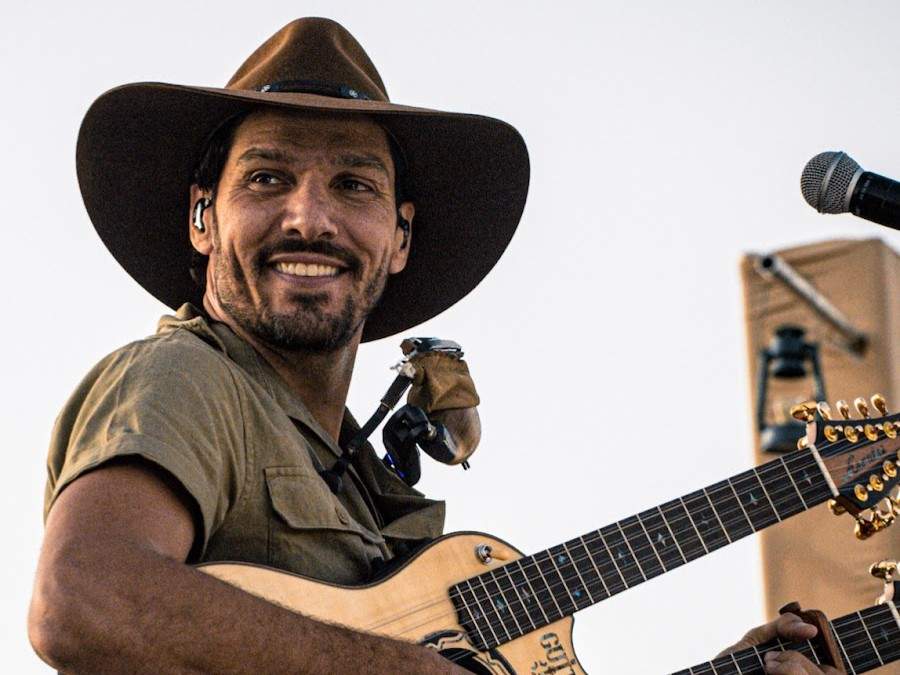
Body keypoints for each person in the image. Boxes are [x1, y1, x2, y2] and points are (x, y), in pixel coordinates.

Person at [27, 17, 839, 675]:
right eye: (268, 179)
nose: (310, 217)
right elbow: (82, 596)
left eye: (354, 185)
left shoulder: (360, 479)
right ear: (204, 217)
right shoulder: (186, 376)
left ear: (400, 234)